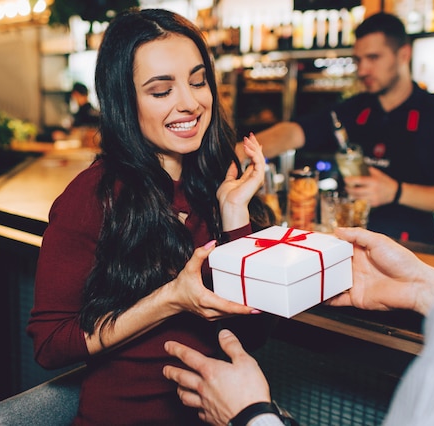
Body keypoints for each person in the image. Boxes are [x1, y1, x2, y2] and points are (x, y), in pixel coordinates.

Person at [162, 0, 434, 424]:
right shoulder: (355, 110)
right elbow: (294, 130)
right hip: (371, 263)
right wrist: (426, 286)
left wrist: (251, 416)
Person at [27, 8, 276, 425]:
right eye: (162, 90)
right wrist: (169, 300)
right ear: (125, 101)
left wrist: (235, 215)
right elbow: (50, 343)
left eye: (198, 81)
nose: (191, 102)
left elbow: (252, 336)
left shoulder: (217, 184)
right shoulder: (91, 198)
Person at [246, 12, 434, 246]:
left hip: (413, 246)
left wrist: (395, 191)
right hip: (348, 244)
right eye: (358, 60)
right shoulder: (354, 110)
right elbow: (294, 132)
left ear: (403, 54)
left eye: (373, 58)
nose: (363, 69)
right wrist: (237, 152)